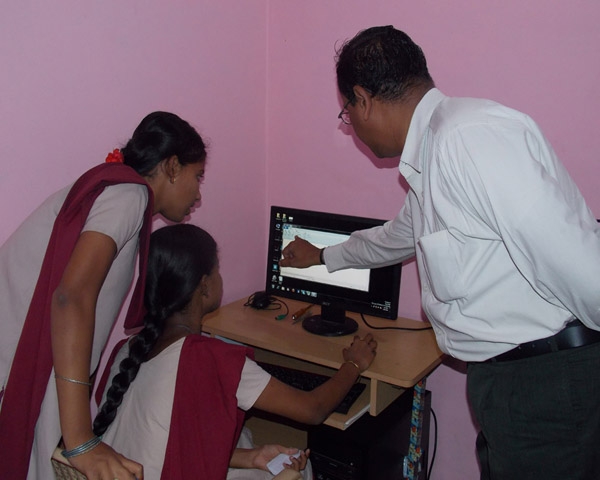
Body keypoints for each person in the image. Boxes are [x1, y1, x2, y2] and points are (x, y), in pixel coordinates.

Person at [279, 25, 600, 480]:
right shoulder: (434, 152)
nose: (351, 127)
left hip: (544, 382)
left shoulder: (469, 139)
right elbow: (399, 236)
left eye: (347, 114)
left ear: (362, 100)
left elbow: (577, 261)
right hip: (511, 383)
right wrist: (323, 256)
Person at [0, 111, 208, 480]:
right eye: (198, 176)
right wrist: (81, 441)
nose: (198, 194)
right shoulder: (128, 195)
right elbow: (71, 297)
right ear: (173, 167)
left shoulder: (114, 191)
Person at [93, 223, 377, 480]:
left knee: (248, 442)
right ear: (204, 286)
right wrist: (353, 365)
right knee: (301, 469)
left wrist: (251, 457)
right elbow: (313, 410)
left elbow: (167, 437)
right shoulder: (209, 359)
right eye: (217, 270)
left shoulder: (127, 349)